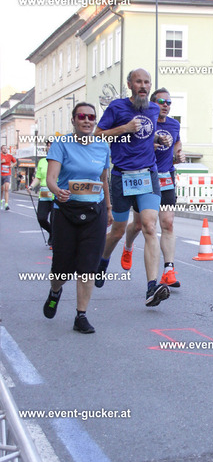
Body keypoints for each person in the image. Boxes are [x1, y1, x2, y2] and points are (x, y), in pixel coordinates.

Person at [93, 68, 171, 307]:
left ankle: (151, 287)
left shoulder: (154, 109)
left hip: (148, 174)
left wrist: (160, 139)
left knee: (149, 226)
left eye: (147, 82)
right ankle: (103, 260)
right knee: (117, 231)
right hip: (121, 176)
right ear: (130, 84)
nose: (143, 86)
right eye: (139, 81)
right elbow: (97, 135)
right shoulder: (117, 107)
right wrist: (124, 129)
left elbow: (147, 135)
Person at [43, 102, 112, 334]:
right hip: (65, 210)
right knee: (61, 268)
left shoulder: (102, 147)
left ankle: (81, 316)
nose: (87, 120)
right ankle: (55, 291)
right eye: (82, 116)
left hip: (94, 211)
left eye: (91, 117)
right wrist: (56, 191)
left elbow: (103, 180)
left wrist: (108, 208)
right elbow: (51, 177)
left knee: (88, 266)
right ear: (73, 120)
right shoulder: (61, 144)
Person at [120, 88, 185, 287]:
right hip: (145, 177)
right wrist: (149, 147)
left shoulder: (174, 124)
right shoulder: (146, 122)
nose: (165, 105)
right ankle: (128, 246)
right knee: (139, 225)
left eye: (169, 102)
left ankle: (169, 271)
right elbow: (130, 147)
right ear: (152, 103)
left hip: (166, 178)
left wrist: (179, 154)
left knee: (168, 223)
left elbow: (177, 143)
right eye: (161, 101)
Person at [27, 140, 55, 246]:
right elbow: (38, 177)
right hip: (44, 194)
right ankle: (52, 233)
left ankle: (53, 239)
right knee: (41, 218)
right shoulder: (42, 161)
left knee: (54, 219)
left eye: (52, 145)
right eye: (48, 145)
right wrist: (31, 186)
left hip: (56, 194)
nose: (49, 147)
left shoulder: (61, 161)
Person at [1, 144, 17, 210]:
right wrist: (1, 162)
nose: (5, 149)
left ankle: (6, 204)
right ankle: (1, 201)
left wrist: (12, 165)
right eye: (3, 148)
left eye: (6, 148)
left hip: (7, 174)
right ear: (1, 149)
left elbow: (15, 162)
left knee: (6, 189)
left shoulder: (10, 156)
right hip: (1, 174)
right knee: (1, 189)